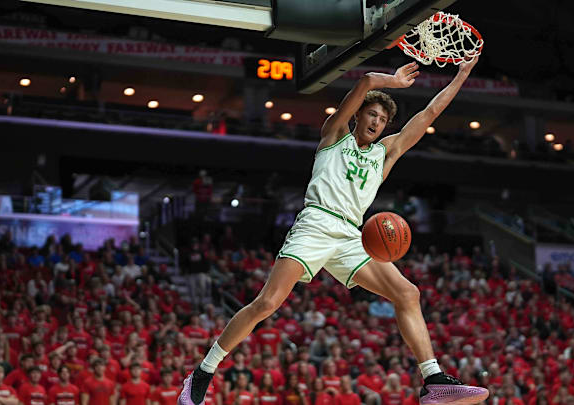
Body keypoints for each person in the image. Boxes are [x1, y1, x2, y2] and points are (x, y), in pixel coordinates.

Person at [178, 59, 488, 405]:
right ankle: (203, 373)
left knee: (408, 293)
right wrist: (393, 81)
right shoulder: (335, 135)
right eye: (372, 114)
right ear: (358, 115)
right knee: (267, 302)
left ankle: (433, 381)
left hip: (352, 235)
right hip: (316, 223)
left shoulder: (385, 154)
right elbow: (368, 80)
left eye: (383, 120)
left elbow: (429, 114)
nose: (376, 122)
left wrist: (461, 75)